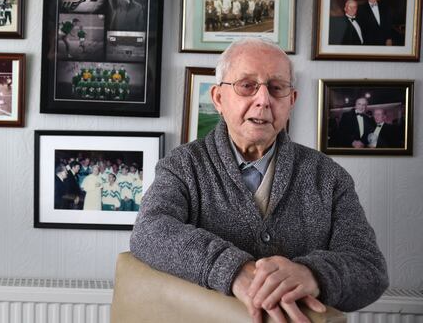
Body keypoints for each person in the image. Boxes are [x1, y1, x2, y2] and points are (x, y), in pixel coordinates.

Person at [131, 38, 387, 320]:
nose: (263, 100)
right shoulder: (183, 165)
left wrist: (312, 274)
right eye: (247, 85)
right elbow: (150, 231)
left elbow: (370, 268)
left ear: (291, 101)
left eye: (276, 88)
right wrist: (235, 271)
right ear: (218, 98)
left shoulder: (329, 176)